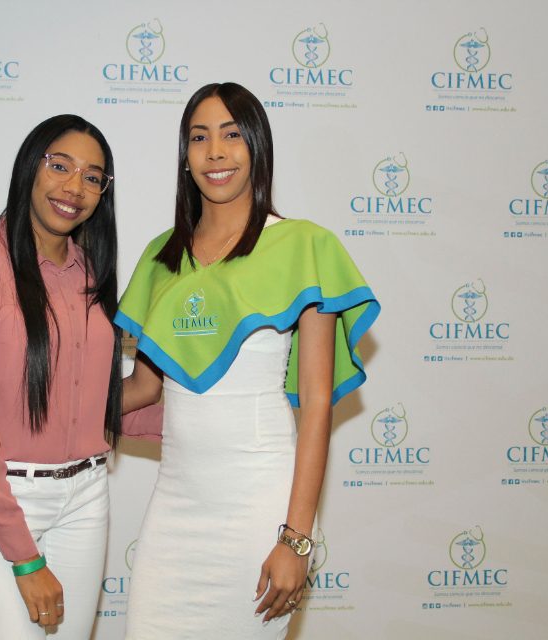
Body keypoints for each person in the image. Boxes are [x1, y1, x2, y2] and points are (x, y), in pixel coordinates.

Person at [117, 83, 380, 639]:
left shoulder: (301, 245)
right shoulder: (162, 257)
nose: (215, 152)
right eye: (199, 138)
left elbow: (316, 405)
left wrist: (296, 540)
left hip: (257, 512)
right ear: (185, 156)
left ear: (257, 146)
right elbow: (142, 387)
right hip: (173, 512)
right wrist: (46, 404)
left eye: (232, 135)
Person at [0, 114, 159, 639]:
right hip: (5, 498)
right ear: (29, 168)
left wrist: (214, 420)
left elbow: (90, 400)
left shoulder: (92, 273)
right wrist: (25, 557)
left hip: (87, 496)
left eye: (92, 177)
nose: (74, 187)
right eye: (61, 166)